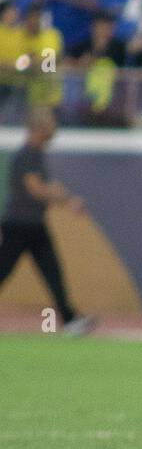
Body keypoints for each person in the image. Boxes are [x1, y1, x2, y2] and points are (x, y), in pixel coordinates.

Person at [0, 108, 94, 334]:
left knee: (52, 271)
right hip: (19, 225)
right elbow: (35, 189)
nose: (53, 130)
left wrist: (61, 195)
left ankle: (70, 319)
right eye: (49, 125)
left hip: (34, 224)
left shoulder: (36, 155)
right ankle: (70, 319)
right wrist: (65, 199)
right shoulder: (27, 155)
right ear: (39, 128)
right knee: (3, 270)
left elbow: (43, 189)